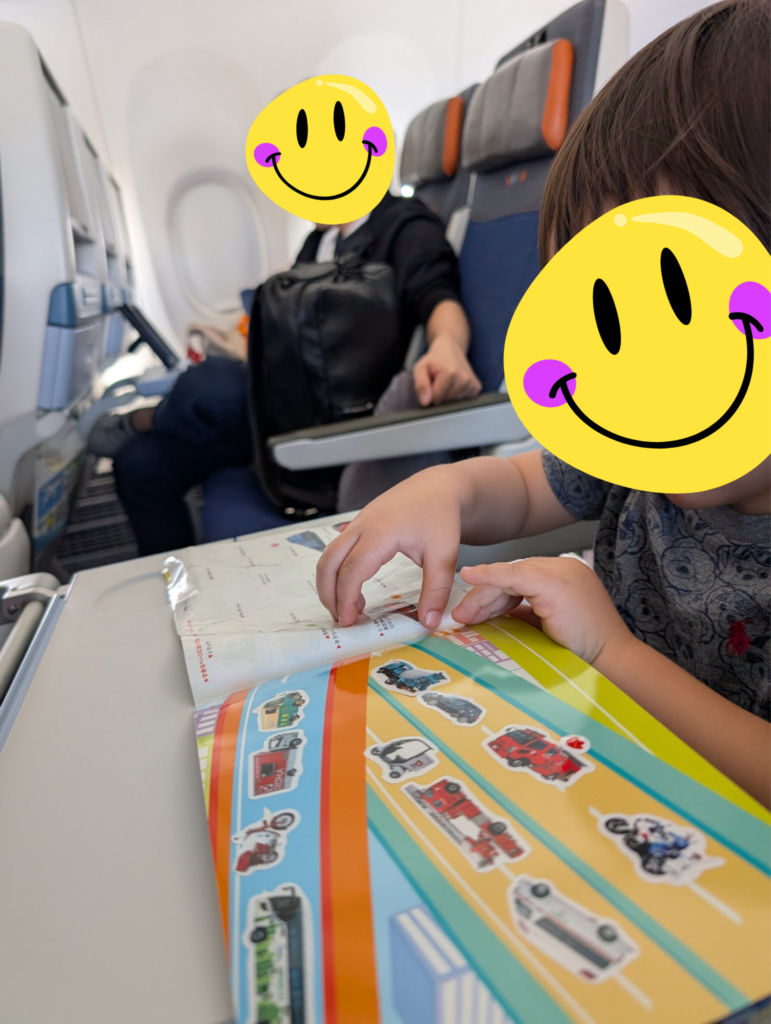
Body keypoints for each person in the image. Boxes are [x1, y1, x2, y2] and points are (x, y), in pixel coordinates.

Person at [316, 0, 771, 811]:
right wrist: (445, 491)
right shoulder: (639, 438)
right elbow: (530, 486)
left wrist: (611, 650)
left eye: (681, 314)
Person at [91, 192, 480, 554]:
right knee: (140, 464)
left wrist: (447, 346)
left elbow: (439, 296)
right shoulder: (319, 240)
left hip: (333, 421)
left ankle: (146, 419)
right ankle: (177, 584)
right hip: (284, 406)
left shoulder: (403, 224)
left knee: (210, 384)